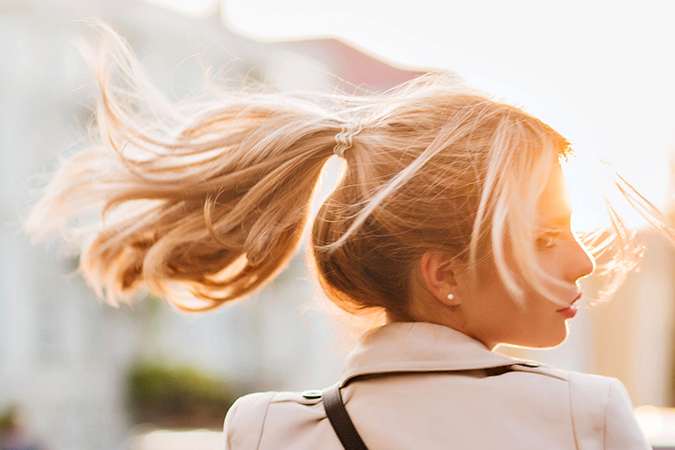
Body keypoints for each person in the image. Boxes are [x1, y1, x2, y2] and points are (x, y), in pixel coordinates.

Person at [25, 23, 668, 449]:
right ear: (443, 274)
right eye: (544, 238)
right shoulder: (589, 419)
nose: (583, 261)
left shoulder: (265, 430)